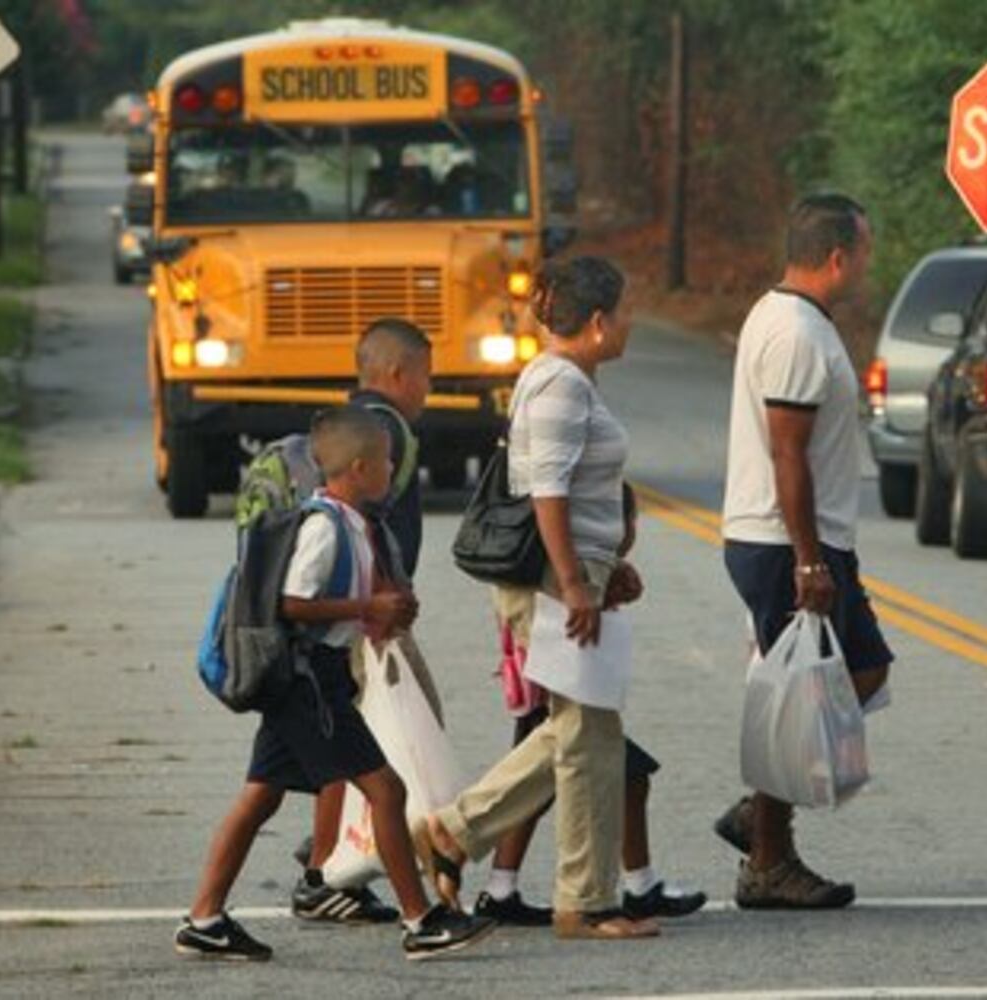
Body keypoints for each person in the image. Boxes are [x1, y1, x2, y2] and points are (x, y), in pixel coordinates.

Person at [176, 407, 494, 962]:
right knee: (386, 791)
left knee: (260, 797)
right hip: (309, 682)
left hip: (309, 679)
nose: (395, 470)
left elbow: (343, 607)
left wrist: (384, 614)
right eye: (388, 462)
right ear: (360, 466)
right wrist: (367, 604)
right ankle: (420, 920)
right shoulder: (323, 525)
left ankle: (204, 918)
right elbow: (292, 604)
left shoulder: (353, 522)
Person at [412, 256, 662, 941]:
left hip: (578, 571)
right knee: (585, 735)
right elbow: (546, 492)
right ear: (601, 321)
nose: (633, 323)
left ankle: (458, 833)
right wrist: (577, 583)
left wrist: (609, 570)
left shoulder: (573, 382)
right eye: (627, 312)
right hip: (555, 578)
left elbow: (581, 494)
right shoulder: (558, 385)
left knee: (585, 732)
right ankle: (582, 901)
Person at [715, 193, 893, 909]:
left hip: (805, 539)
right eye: (866, 251)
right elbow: (788, 453)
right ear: (838, 257)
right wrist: (809, 560)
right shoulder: (793, 332)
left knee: (866, 669)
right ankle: (767, 862)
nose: (868, 265)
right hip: (783, 539)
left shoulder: (795, 318)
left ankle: (760, 817)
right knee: (798, 700)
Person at [476, 482, 708, 926]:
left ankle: (503, 885)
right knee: (565, 781)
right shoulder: (572, 572)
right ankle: (633, 886)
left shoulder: (575, 568)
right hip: (554, 694)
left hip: (546, 692)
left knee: (591, 781)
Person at [290, 319, 444, 924]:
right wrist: (384, 603)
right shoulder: (388, 434)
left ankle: (334, 861)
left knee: (348, 745)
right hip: (365, 613)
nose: (430, 389)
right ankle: (327, 868)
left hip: (353, 612)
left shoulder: (339, 423)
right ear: (399, 373)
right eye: (426, 375)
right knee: (371, 739)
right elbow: (372, 521)